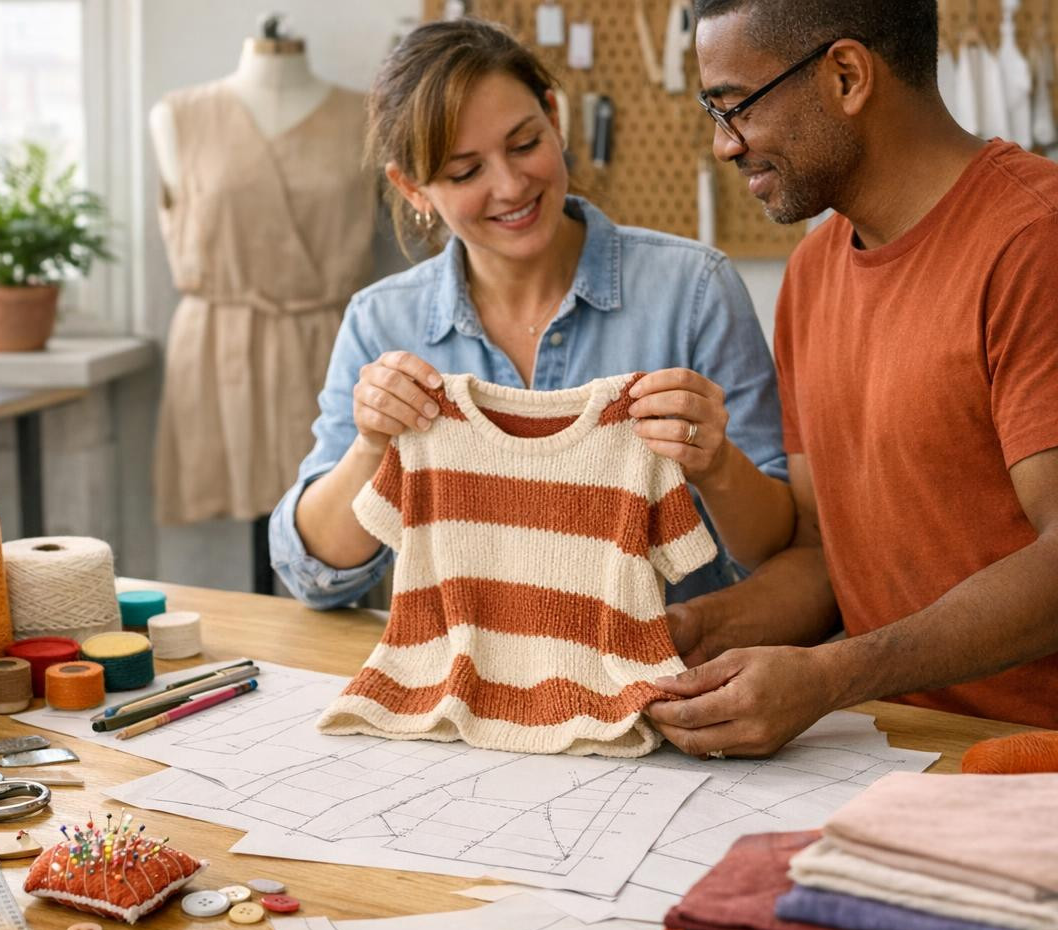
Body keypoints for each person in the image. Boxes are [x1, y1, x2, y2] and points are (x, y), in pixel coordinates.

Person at [644, 0, 1058, 758]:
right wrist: (686, 631)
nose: (721, 146)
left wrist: (833, 675)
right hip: (884, 750)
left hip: (1026, 764)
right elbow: (819, 554)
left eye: (734, 108)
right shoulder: (810, 276)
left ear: (845, 76)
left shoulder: (1036, 244)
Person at [269, 18, 795, 613]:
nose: (512, 185)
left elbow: (778, 552)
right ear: (412, 188)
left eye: (524, 144)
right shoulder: (381, 322)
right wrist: (370, 448)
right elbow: (314, 575)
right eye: (466, 172)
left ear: (554, 114)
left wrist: (717, 465)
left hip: (658, 684)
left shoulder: (693, 291)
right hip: (460, 691)